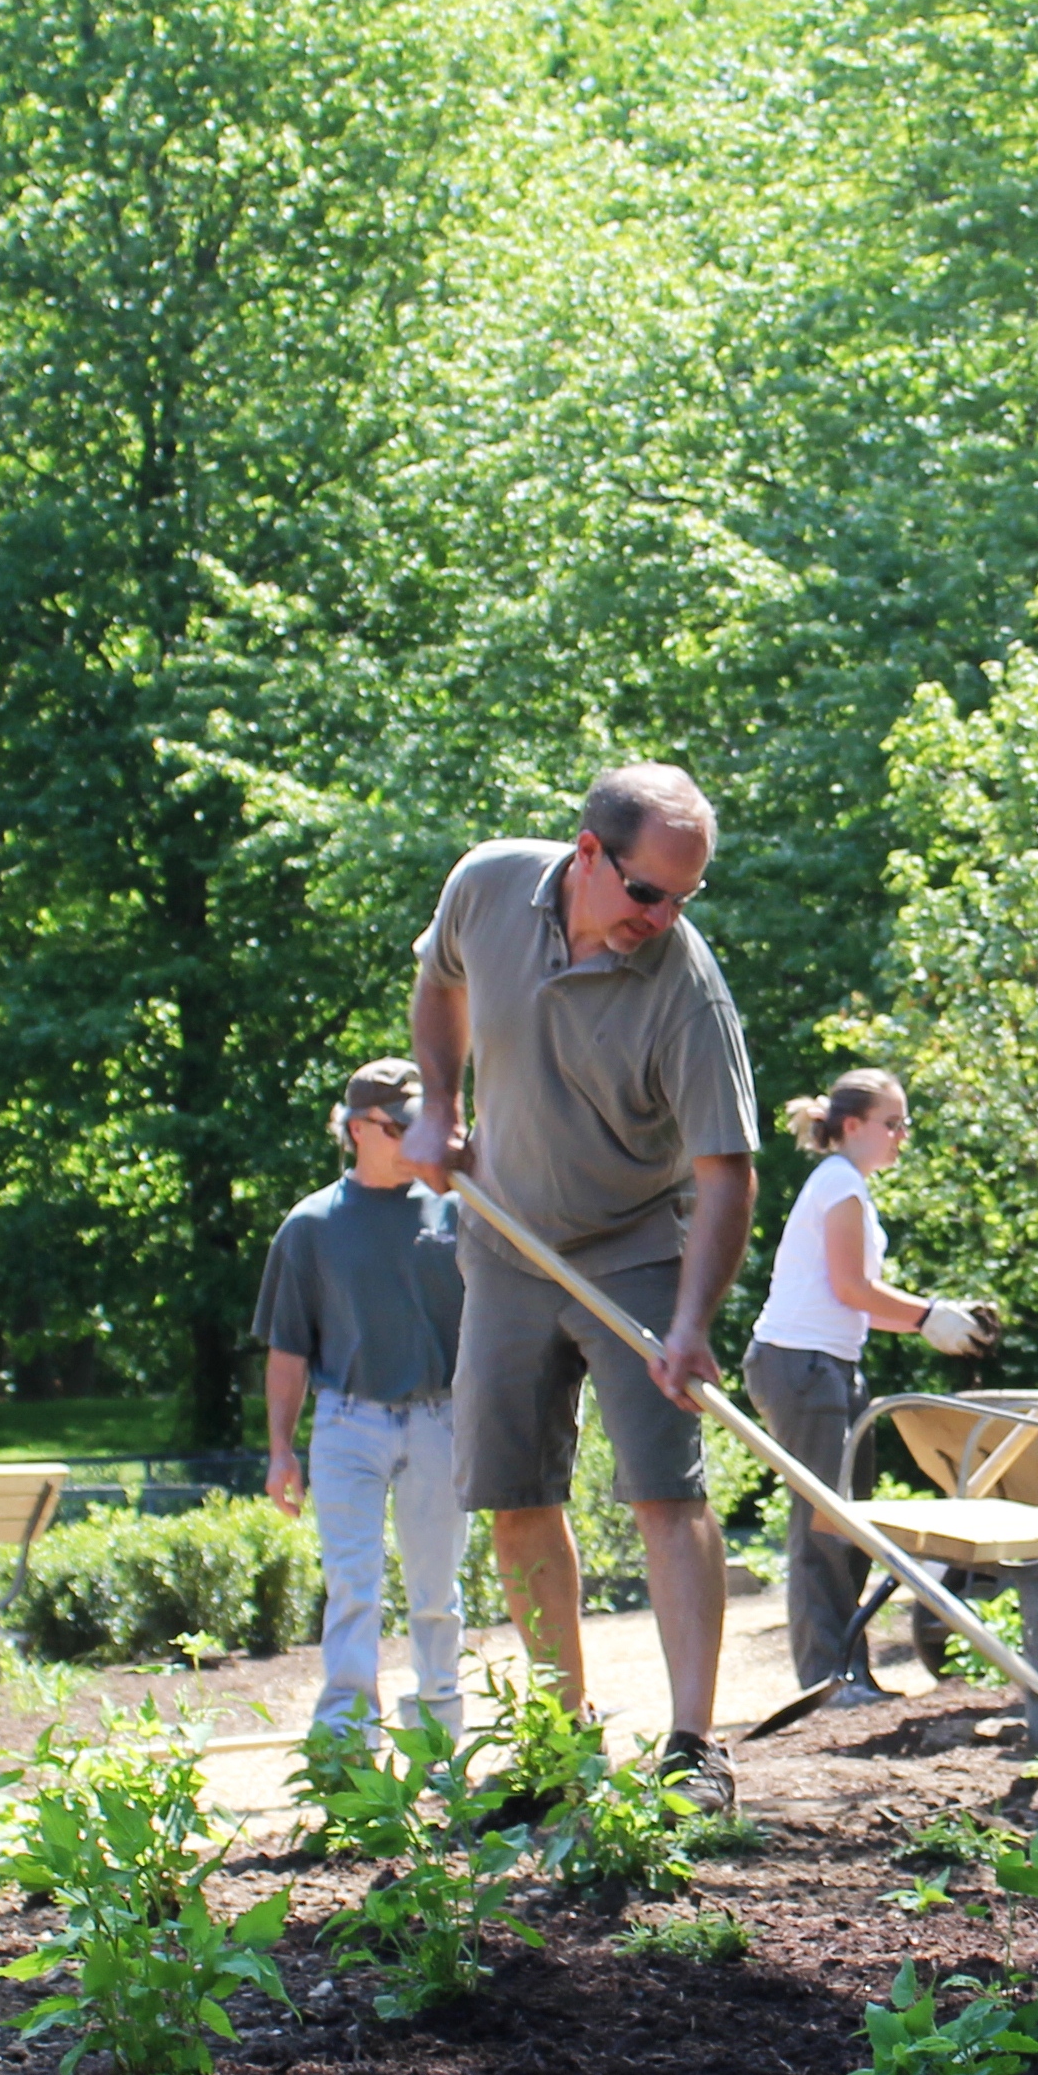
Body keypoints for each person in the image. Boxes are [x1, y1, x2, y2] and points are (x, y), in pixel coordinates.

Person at [406, 767, 761, 1804]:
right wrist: (439, 1102)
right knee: (514, 1493)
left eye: (685, 899)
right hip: (506, 1241)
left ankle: (696, 1748)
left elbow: (725, 1171)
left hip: (636, 1248)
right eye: (648, 892)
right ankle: (565, 1746)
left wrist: (691, 1323)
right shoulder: (487, 887)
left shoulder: (686, 990)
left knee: (666, 1487)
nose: (664, 917)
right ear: (589, 852)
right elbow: (442, 983)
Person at [742, 1071, 992, 1710]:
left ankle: (848, 1672)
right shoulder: (839, 1185)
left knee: (851, 1523)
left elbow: (851, 1298)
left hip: (826, 1364)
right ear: (852, 1126)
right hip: (801, 1365)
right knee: (825, 1526)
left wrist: (935, 1317)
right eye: (892, 1123)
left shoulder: (847, 1187)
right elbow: (853, 1289)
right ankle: (826, 1680)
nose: (901, 1136)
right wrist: (928, 1314)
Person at [258, 1059, 473, 1747]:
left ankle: (438, 1740)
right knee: (353, 1588)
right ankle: (347, 1743)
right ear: (356, 1129)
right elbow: (288, 1349)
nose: (418, 1141)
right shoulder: (310, 1225)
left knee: (436, 1594)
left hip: (440, 1420)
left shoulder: (458, 1208)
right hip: (347, 1423)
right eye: (399, 1127)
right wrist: (281, 1451)